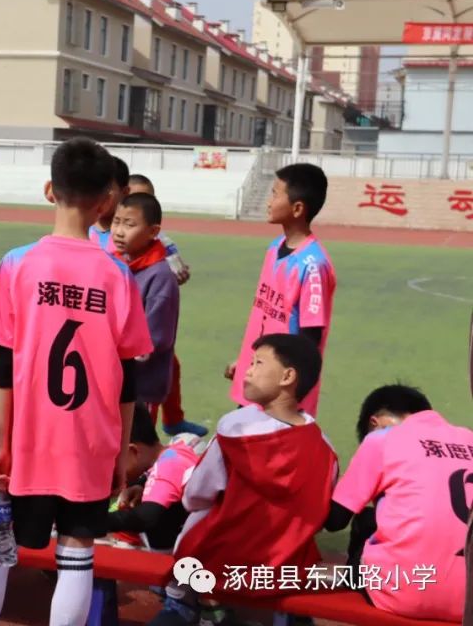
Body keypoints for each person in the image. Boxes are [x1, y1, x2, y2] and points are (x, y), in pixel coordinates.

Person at [0, 137, 152, 626]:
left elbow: (3, 364)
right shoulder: (119, 276)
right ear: (106, 202)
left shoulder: (17, 263)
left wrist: (1, 442)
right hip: (89, 440)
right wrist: (120, 451)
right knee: (77, 554)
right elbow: (128, 376)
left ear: (50, 190)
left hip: (28, 438)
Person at [152, 333, 336, 626]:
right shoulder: (326, 449)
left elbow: (195, 496)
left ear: (287, 377)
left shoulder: (236, 428)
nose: (246, 371)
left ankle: (183, 601)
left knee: (194, 509)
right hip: (284, 570)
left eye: (258, 363)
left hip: (221, 563)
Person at [323, 384, 469, 623]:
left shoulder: (380, 439)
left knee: (366, 521)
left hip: (402, 592)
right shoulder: (469, 438)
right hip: (467, 604)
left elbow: (335, 521)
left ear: (375, 422)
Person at [226, 163, 334, 417]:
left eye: (275, 194)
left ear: (297, 209)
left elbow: (309, 340)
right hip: (257, 380)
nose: (268, 201)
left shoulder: (313, 265)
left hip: (279, 396)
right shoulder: (275, 247)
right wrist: (247, 362)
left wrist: (289, 396)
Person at [125, 174, 205, 438]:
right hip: (123, 339)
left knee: (164, 366)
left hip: (144, 336)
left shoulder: (161, 246)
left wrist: (177, 275)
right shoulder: (108, 237)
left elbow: (174, 269)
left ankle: (171, 420)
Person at [112, 193, 179, 412]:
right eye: (116, 222)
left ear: (153, 231)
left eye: (129, 224)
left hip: (141, 387)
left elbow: (155, 339)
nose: (119, 231)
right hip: (114, 379)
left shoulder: (160, 277)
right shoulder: (115, 265)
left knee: (135, 434)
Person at [105, 404, 203, 553]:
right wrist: (140, 486)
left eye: (111, 461)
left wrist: (93, 521)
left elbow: (146, 517)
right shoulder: (173, 453)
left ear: (132, 451)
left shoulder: (169, 465)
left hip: (199, 554)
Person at [87, 155, 130, 255]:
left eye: (106, 188)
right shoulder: (78, 232)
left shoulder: (136, 237)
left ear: (125, 192)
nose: (97, 194)